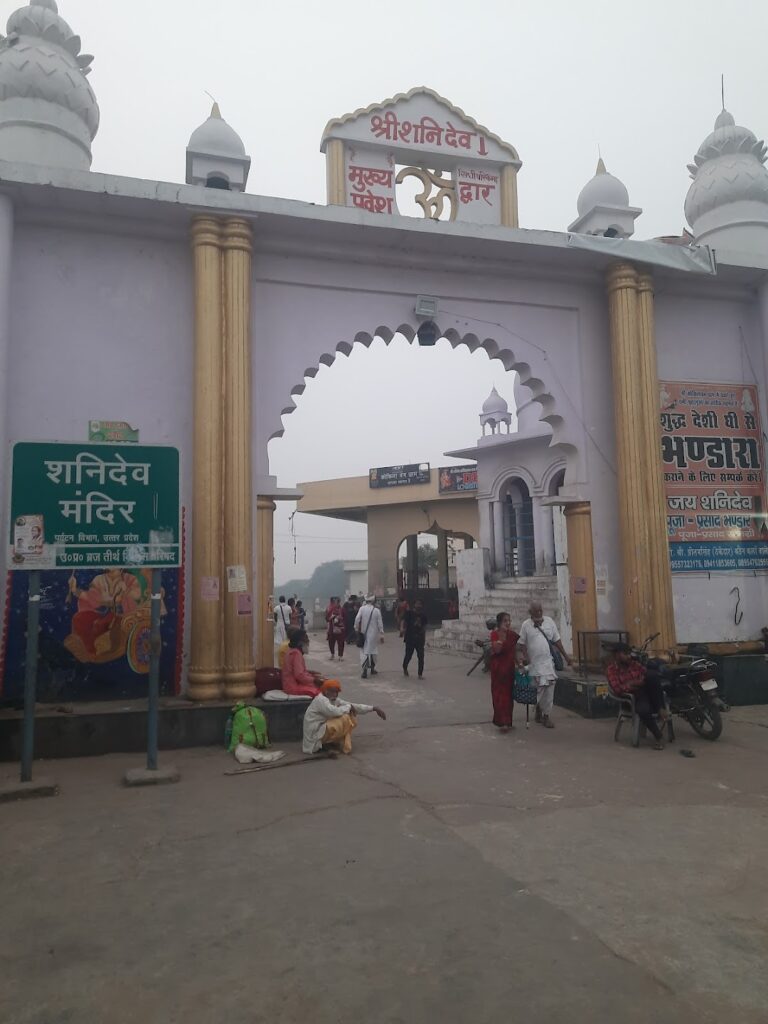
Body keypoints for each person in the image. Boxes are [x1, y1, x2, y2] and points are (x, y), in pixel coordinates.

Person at [517, 602, 571, 729]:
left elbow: (557, 640)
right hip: (534, 665)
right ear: (531, 613)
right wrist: (525, 658)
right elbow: (522, 644)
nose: (539, 613)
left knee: (549, 690)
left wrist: (566, 657)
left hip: (548, 664)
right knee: (537, 690)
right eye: (536, 611)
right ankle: (538, 710)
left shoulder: (549, 622)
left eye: (540, 610)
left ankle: (546, 716)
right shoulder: (526, 625)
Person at [606, 644, 667, 750]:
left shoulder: (634, 664)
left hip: (646, 691)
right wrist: (631, 684)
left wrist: (634, 683)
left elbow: (646, 676)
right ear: (617, 655)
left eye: (629, 654)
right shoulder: (612, 670)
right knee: (643, 710)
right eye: (625, 654)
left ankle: (660, 708)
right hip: (632, 697)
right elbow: (617, 689)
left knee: (652, 675)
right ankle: (658, 736)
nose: (629, 656)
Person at [302, 679, 386, 755]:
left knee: (348, 714)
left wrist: (373, 708)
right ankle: (325, 743)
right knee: (345, 718)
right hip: (313, 736)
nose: (335, 694)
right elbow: (335, 712)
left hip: (319, 730)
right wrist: (349, 707)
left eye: (337, 692)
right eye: (333, 692)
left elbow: (354, 706)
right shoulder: (321, 700)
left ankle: (328, 742)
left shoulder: (332, 699)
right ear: (326, 691)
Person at [489, 612, 519, 732]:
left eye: (509, 621)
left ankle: (508, 721)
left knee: (508, 696)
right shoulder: (494, 634)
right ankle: (502, 722)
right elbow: (496, 650)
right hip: (498, 671)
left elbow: (514, 650)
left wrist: (519, 663)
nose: (508, 623)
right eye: (505, 621)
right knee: (499, 696)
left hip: (509, 669)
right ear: (499, 623)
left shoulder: (512, 635)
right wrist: (501, 639)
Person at [282, 630, 323, 697]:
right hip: (293, 687)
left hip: (290, 684)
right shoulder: (296, 653)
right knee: (322, 691)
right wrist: (314, 680)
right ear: (300, 643)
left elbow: (297, 671)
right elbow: (299, 675)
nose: (308, 642)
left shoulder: (291, 651)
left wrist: (311, 673)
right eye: (306, 641)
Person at [354, 595, 385, 679]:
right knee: (373, 652)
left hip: (363, 634)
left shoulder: (362, 609)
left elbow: (357, 619)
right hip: (374, 635)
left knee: (364, 652)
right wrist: (381, 634)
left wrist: (356, 628)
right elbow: (380, 623)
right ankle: (372, 669)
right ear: (373, 601)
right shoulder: (376, 610)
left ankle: (364, 671)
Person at [401, 599, 428, 678]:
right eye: (417, 604)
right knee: (408, 656)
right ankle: (405, 667)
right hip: (410, 638)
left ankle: (420, 674)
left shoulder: (423, 615)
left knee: (421, 657)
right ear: (414, 605)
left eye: (420, 604)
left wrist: (424, 638)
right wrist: (402, 628)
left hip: (420, 639)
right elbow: (403, 620)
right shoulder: (409, 613)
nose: (418, 606)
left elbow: (425, 627)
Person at [326, 596, 346, 661]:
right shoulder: (330, 609)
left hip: (340, 629)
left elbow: (345, 619)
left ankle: (340, 656)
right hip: (332, 629)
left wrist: (340, 619)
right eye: (334, 602)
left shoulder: (342, 609)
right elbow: (327, 618)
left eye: (337, 602)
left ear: (339, 602)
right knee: (331, 642)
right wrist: (331, 617)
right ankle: (332, 654)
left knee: (341, 643)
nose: (335, 603)